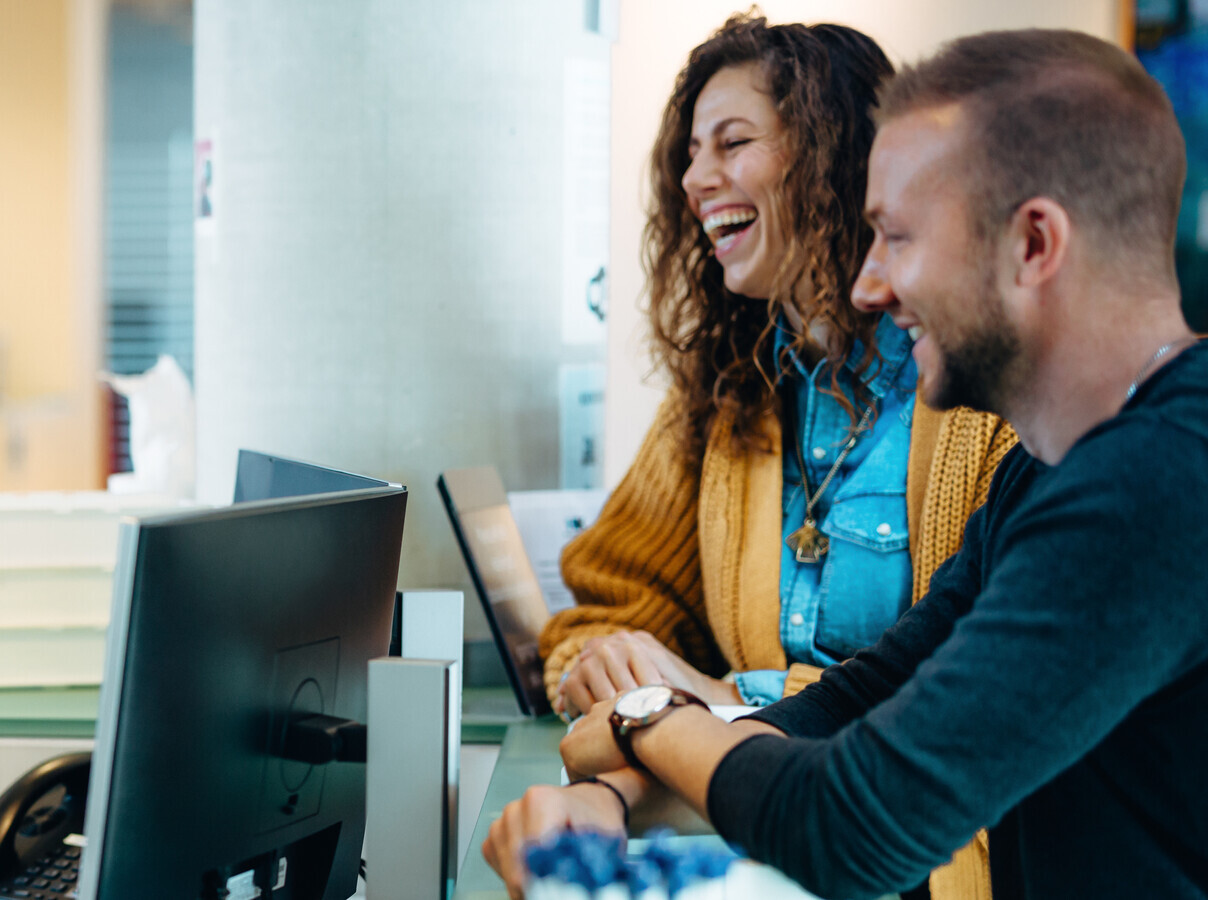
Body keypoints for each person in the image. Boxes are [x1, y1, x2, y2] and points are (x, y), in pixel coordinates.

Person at [484, 29, 1208, 899]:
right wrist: (615, 796)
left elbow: (854, 824)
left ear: (1033, 245)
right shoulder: (1057, 471)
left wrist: (648, 723)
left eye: (897, 238)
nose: (867, 286)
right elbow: (861, 699)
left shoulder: (1154, 486)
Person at [539, 16, 1018, 725]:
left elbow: (992, 685)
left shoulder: (988, 400)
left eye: (733, 144)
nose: (696, 179)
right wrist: (611, 659)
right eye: (692, 152)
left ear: (837, 157)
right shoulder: (723, 392)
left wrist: (739, 700)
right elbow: (607, 603)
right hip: (759, 806)